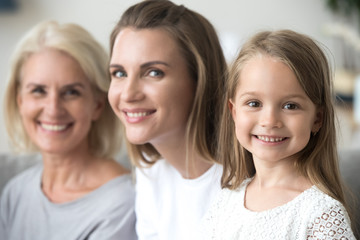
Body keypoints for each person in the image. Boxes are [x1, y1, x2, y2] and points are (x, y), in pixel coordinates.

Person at [201, 29, 356, 239]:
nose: (270, 121)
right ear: (234, 112)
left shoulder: (322, 216)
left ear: (317, 119)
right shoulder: (226, 200)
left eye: (290, 106)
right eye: (254, 103)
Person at [0, 21, 137, 240]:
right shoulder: (16, 192)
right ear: (20, 101)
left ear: (97, 105)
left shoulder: (123, 203)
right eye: (38, 91)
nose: (53, 109)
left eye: (71, 92)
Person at [108, 0, 227, 239]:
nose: (129, 94)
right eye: (119, 73)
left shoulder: (249, 179)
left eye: (154, 72)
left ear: (200, 81)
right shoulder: (151, 174)